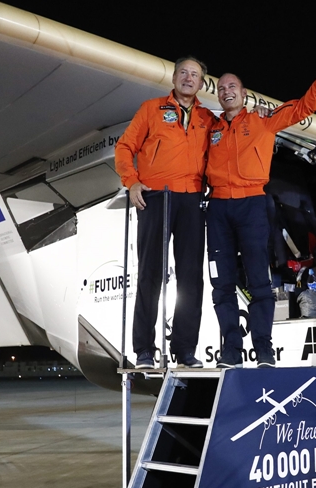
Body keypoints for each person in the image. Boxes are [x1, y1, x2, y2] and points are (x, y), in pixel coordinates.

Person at [206, 50, 316, 368]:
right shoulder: (209, 129)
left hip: (252, 205)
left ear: (244, 94)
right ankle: (230, 350)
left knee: (259, 281)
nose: (227, 91)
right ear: (219, 96)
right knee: (222, 284)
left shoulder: (263, 122)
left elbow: (302, 107)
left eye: (233, 87)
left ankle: (263, 349)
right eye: (222, 88)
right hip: (217, 208)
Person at [115, 56, 217, 369]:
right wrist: (131, 183)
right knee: (150, 273)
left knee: (190, 278)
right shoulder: (151, 108)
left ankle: (185, 350)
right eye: (183, 72)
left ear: (201, 83)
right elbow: (124, 147)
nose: (189, 78)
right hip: (155, 197)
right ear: (173, 77)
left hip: (191, 201)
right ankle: (144, 350)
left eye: (195, 75)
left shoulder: (207, 118)